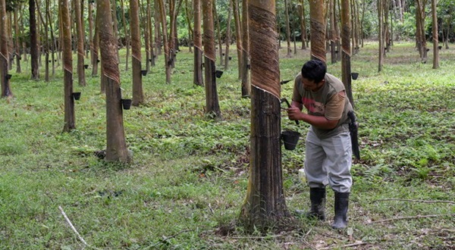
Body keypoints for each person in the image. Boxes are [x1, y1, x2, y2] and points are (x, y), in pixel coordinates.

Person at [286, 59, 354, 229]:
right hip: (315, 130)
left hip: (338, 131)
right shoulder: (300, 80)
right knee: (313, 170)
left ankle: (340, 218)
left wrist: (302, 117)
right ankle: (317, 211)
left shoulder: (335, 90)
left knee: (339, 173)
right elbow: (297, 100)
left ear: (321, 82)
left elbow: (331, 122)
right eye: (304, 83)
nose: (306, 87)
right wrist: (295, 109)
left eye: (310, 86)